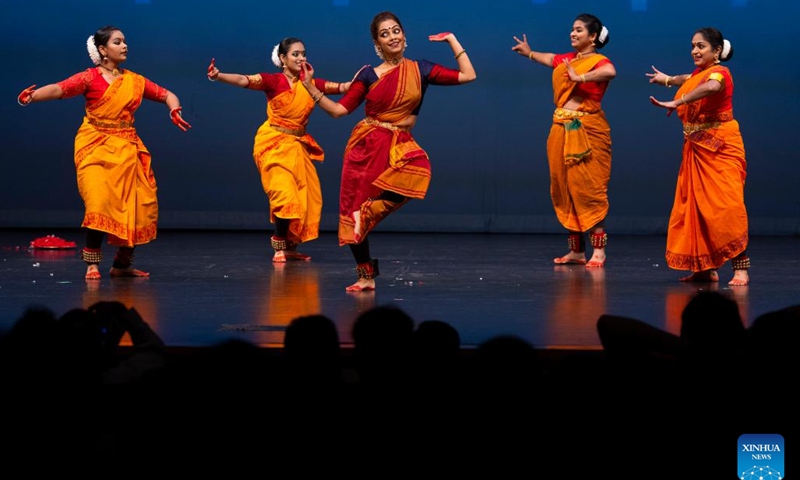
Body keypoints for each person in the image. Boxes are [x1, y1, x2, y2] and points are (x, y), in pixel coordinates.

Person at [301, 11, 477, 292]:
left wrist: (452, 40)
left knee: (418, 173)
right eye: (385, 34)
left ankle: (368, 214)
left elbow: (469, 75)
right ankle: (365, 276)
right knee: (353, 210)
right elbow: (338, 110)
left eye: (396, 31)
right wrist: (310, 86)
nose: (392, 36)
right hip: (366, 144)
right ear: (377, 44)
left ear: (404, 36)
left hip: (400, 142)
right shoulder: (368, 74)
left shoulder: (420, 69)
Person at [16, 25, 191, 280]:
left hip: (127, 149)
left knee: (136, 205)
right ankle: (92, 264)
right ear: (102, 50)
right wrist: (33, 96)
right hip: (95, 146)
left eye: (125, 41)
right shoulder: (89, 78)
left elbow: (167, 95)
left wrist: (174, 109)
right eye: (118, 42)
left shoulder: (134, 80)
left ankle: (122, 266)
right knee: (98, 202)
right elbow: (59, 89)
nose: (125, 46)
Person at [206, 38, 351, 262]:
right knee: (285, 194)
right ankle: (279, 245)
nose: (301, 58)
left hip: (297, 145)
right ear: (283, 59)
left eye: (303, 53)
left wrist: (370, 78)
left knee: (305, 199)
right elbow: (244, 80)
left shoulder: (311, 84)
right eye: (295, 54)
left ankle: (291, 247)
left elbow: (342, 87)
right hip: (273, 143)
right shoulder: (273, 81)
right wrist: (219, 75)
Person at [647, 27, 750, 286]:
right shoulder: (699, 74)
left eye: (701, 46)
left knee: (726, 208)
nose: (695, 50)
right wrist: (668, 79)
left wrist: (678, 102)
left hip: (720, 148)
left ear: (716, 51)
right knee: (694, 209)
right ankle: (705, 269)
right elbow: (687, 79)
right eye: (693, 45)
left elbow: (711, 87)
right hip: (696, 148)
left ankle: (741, 270)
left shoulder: (720, 73)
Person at [512, 13, 616, 268]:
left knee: (588, 189)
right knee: (565, 189)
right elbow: (550, 59)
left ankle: (599, 253)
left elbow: (609, 72)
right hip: (561, 127)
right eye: (572, 29)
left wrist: (581, 78)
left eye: (579, 30)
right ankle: (577, 252)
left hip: (587, 129)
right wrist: (530, 53)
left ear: (592, 37)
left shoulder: (598, 61)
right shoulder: (567, 60)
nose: (573, 33)